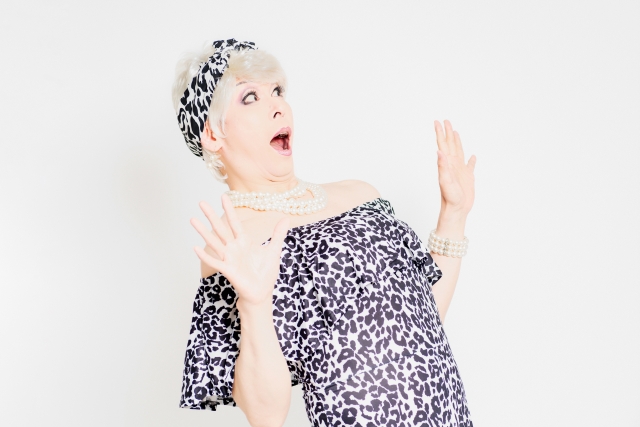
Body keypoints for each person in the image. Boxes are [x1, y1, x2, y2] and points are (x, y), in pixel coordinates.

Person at [173, 39, 477, 427]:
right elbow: (266, 415)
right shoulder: (234, 245)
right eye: (250, 97)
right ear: (213, 134)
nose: (278, 106)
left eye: (277, 91)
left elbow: (422, 323)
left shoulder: (361, 195)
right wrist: (254, 302)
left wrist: (454, 214)